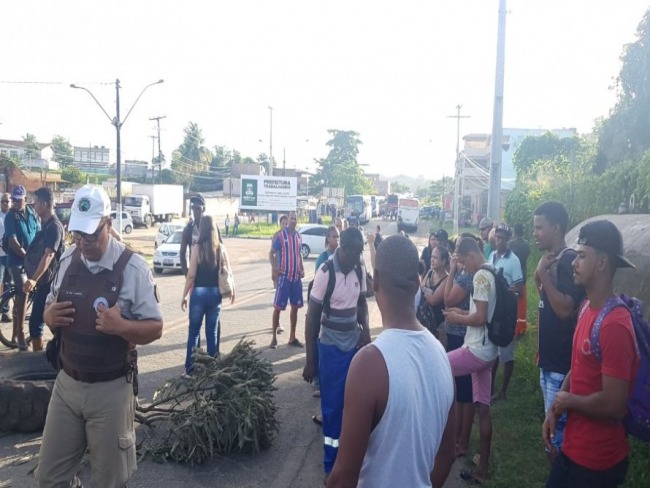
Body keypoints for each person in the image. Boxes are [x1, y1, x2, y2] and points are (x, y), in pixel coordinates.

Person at [36, 185, 163, 488]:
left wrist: (122, 327)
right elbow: (51, 306)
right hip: (66, 385)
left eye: (91, 234)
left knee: (108, 482)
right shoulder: (68, 260)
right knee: (49, 479)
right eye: (78, 235)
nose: (83, 243)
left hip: (111, 390)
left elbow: (156, 327)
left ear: (108, 222)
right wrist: (47, 316)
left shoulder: (133, 268)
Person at [326, 235, 455, 488]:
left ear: (375, 282)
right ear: (417, 285)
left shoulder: (369, 363)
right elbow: (447, 456)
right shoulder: (441, 355)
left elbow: (343, 478)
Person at [544, 220, 639, 488]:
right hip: (573, 450)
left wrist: (568, 401)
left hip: (598, 463)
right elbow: (579, 367)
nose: (574, 262)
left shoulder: (615, 325)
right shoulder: (586, 308)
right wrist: (555, 407)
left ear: (602, 263)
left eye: (582, 256)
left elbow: (614, 404)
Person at [302, 227, 370, 483]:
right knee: (332, 407)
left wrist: (365, 331)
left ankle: (351, 458)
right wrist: (312, 362)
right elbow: (311, 320)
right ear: (346, 248)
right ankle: (331, 466)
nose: (359, 257)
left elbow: (362, 303)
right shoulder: (325, 273)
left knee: (354, 405)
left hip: (352, 346)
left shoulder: (359, 269)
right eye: (357, 252)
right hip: (330, 350)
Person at [443, 236, 499, 485]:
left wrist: (457, 320)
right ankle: (482, 470)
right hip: (489, 351)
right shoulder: (492, 271)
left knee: (437, 366)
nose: (463, 267)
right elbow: (479, 313)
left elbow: (481, 318)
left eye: (463, 263)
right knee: (483, 409)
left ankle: (441, 447)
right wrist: (461, 312)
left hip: (477, 350)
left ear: (470, 255)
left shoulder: (480, 276)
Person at [534, 201, 585, 462]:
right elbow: (548, 303)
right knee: (551, 432)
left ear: (556, 227)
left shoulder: (567, 260)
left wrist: (543, 275)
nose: (535, 233)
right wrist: (540, 275)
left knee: (556, 438)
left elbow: (565, 309)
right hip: (549, 361)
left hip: (560, 365)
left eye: (539, 227)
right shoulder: (551, 260)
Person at [181, 215, 235, 375]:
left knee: (194, 332)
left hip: (198, 293)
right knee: (212, 333)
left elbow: (191, 275)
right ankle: (212, 370)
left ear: (202, 230)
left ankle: (190, 369)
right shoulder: (221, 249)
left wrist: (184, 295)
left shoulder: (197, 248)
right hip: (215, 294)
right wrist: (233, 290)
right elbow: (229, 272)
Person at [443, 233, 478, 459]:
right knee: (461, 391)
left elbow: (447, 299)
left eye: (458, 251)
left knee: (464, 393)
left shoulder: (466, 277)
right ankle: (457, 436)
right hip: (459, 333)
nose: (456, 255)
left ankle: (460, 440)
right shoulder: (467, 274)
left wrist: (453, 270)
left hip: (461, 335)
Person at [23, 187, 65, 352]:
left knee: (38, 323)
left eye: (36, 203)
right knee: (45, 323)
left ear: (45, 204)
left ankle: (40, 361)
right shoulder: (46, 225)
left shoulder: (54, 227)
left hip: (50, 283)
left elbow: (49, 256)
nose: (34, 206)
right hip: (44, 282)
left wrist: (34, 278)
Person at [488, 223, 524, 402]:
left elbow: (520, 289)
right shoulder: (492, 255)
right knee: (494, 348)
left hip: (507, 312)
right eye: (496, 237)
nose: (498, 240)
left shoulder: (513, 260)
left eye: (501, 238)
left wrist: (506, 291)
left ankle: (503, 390)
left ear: (508, 239)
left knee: (506, 352)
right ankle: (490, 386)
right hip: (494, 310)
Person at [5, 185, 39, 350]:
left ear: (26, 198)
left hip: (31, 259)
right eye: (14, 199)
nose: (16, 202)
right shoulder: (10, 217)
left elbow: (39, 234)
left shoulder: (32, 214)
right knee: (24, 290)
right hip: (16, 261)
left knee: (38, 289)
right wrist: (26, 257)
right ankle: (20, 334)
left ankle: (16, 334)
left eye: (19, 199)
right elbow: (12, 241)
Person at [269, 211, 304, 348]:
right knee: (278, 307)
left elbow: (299, 253)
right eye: (291, 218)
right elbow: (271, 253)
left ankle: (292, 337)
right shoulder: (281, 236)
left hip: (296, 278)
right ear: (287, 220)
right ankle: (273, 338)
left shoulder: (299, 237)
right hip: (284, 278)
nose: (293, 221)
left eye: (295, 218)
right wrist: (275, 268)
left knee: (295, 308)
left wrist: (301, 267)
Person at [419, 245, 449, 338]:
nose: (432, 260)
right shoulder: (430, 272)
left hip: (436, 325)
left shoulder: (446, 279)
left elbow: (433, 300)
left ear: (443, 261)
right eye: (432, 256)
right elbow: (420, 288)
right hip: (423, 321)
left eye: (435, 257)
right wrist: (428, 292)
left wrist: (424, 290)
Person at [509, 223, 531, 336]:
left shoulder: (510, 244)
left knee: (513, 303)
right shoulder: (527, 244)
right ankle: (521, 328)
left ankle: (514, 328)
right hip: (523, 276)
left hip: (513, 277)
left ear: (515, 232)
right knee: (522, 304)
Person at [180, 194, 206, 276]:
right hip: (195, 274)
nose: (195, 211)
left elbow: (220, 249)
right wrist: (186, 274)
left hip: (210, 274)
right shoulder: (188, 229)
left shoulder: (211, 227)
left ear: (204, 209)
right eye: (193, 208)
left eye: (198, 208)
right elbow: (182, 253)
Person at [0, 193, 10, 323]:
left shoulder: (14, 216)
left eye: (7, 201)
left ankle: (5, 312)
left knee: (8, 284)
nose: (5, 204)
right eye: (3, 201)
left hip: (11, 256)